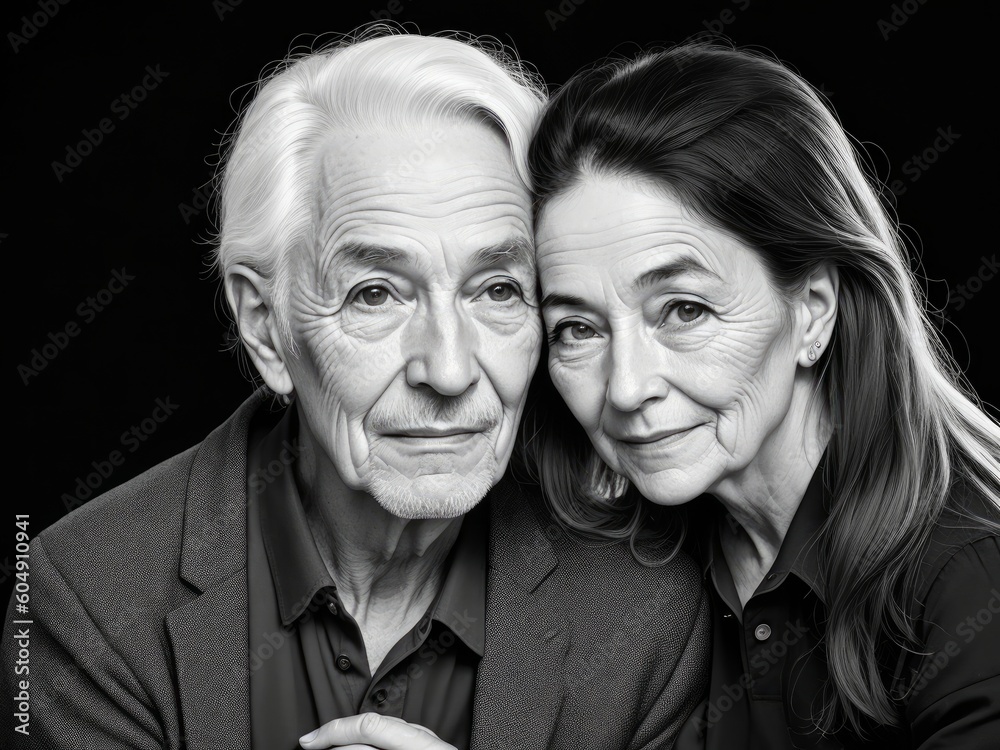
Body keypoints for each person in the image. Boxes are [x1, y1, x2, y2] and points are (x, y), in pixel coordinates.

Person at [0, 28, 711, 750]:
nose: (450, 371)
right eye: (375, 294)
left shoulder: (646, 614)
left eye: (498, 289)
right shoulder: (85, 597)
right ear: (266, 326)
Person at [525, 42, 1000, 749]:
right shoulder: (644, 559)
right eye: (577, 329)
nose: (625, 387)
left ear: (811, 312)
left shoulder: (971, 574)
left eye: (683, 310)